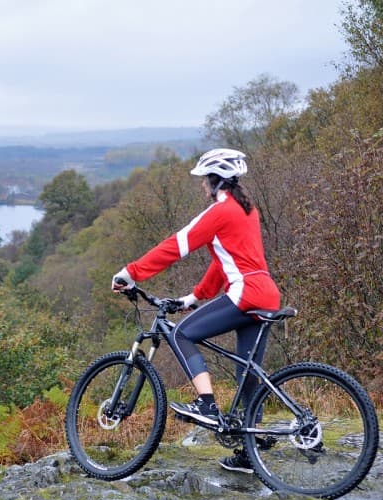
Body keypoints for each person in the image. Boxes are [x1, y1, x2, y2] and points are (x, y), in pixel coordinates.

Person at [111, 148, 280, 474]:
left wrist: (130, 272)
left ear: (216, 181)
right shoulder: (247, 210)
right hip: (266, 294)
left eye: (205, 180)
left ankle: (206, 403)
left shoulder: (219, 212)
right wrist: (192, 298)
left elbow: (177, 245)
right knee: (248, 373)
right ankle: (249, 453)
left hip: (246, 293)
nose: (203, 186)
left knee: (183, 333)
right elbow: (223, 263)